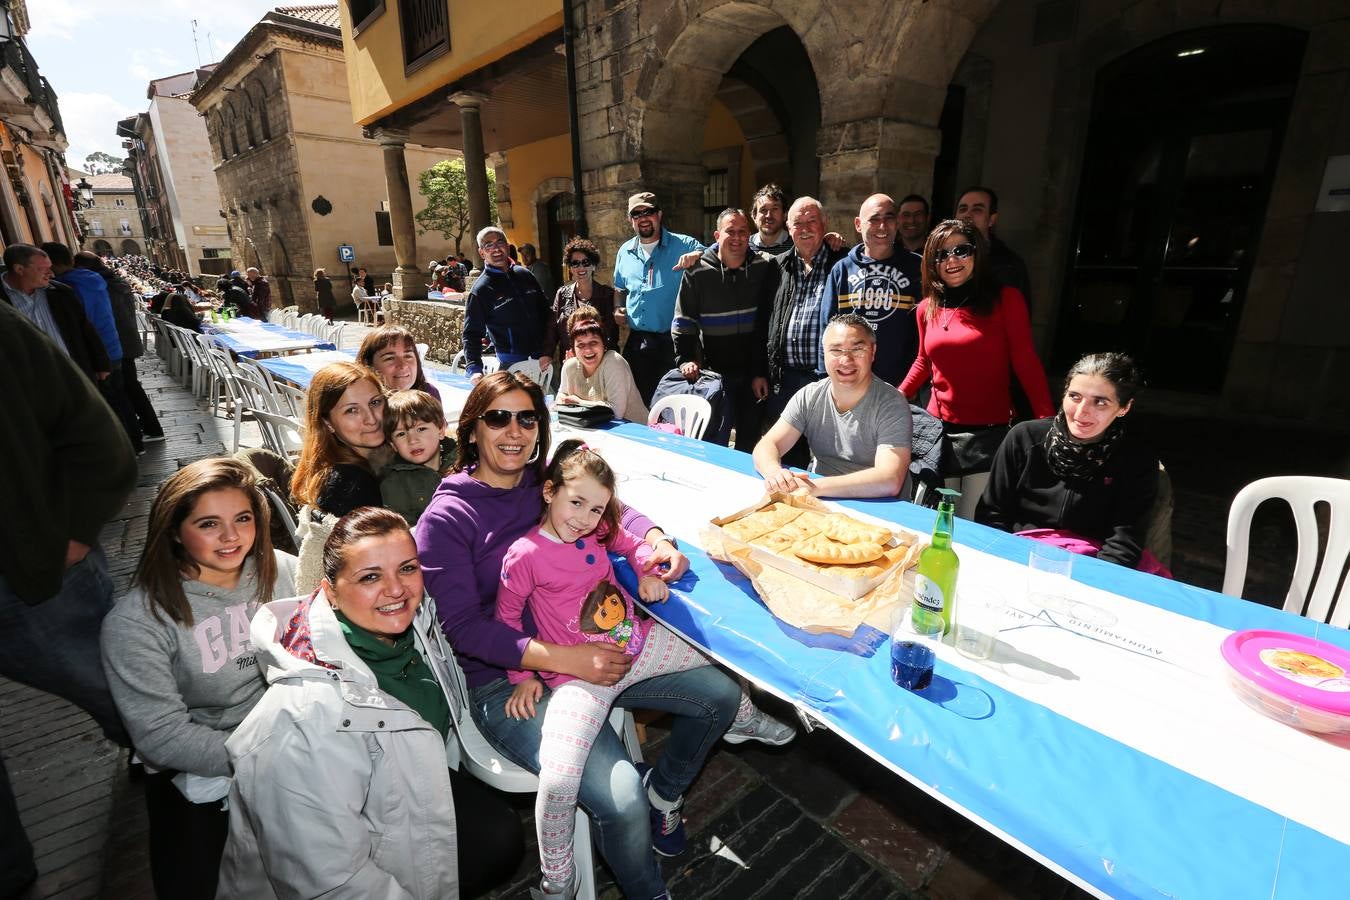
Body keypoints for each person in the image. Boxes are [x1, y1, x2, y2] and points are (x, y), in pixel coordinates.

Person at [413, 372, 794, 900]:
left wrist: (656, 541)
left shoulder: (541, 483)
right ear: (472, 427)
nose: (514, 430)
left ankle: (665, 794)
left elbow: (615, 512)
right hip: (508, 682)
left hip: (601, 649)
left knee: (722, 696)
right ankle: (644, 889)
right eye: (498, 417)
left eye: (527, 417)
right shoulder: (447, 517)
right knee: (620, 802)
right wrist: (565, 659)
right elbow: (464, 629)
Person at [499, 441, 767, 898]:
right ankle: (557, 880)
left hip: (637, 646)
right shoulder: (524, 554)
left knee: (726, 657)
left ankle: (749, 722)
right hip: (578, 679)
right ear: (549, 492)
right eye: (576, 502)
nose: (584, 518)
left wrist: (646, 568)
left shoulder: (596, 530)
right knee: (561, 778)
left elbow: (630, 540)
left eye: (596, 509)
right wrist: (522, 676)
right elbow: (506, 623)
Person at [217, 508, 524, 899]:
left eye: (408, 568)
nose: (396, 589)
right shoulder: (300, 721)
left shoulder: (414, 630)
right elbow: (330, 884)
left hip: (387, 808)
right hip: (338, 872)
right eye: (370, 577)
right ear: (330, 590)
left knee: (499, 834)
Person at [100, 458, 298, 900]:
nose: (232, 537)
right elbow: (161, 736)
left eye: (243, 518)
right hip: (198, 769)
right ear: (173, 530)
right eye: (209, 523)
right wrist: (264, 758)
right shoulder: (137, 622)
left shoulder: (281, 569)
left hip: (292, 741)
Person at [0, 302, 136, 900]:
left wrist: (72, 536)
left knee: (118, 689)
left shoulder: (5, 334)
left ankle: (178, 774)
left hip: (28, 574)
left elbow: (100, 440)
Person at [899, 219, 1054, 519]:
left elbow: (1025, 361)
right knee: (935, 521)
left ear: (977, 253)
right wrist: (894, 396)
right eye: (941, 255)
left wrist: (1046, 422)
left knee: (971, 523)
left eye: (961, 250)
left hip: (988, 435)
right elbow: (923, 362)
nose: (951, 260)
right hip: (938, 432)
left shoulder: (1007, 300)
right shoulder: (925, 308)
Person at [978, 352, 1166, 572]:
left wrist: (1084, 583)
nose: (1081, 411)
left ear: (1124, 407)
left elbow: (1123, 544)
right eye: (1075, 396)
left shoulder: (1137, 461)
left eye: (1100, 402)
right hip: (1016, 558)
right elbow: (991, 513)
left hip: (1091, 568)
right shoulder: (1024, 438)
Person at [754, 314, 913, 499]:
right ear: (824, 353)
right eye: (836, 350)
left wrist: (814, 487)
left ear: (873, 352)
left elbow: (889, 479)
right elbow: (767, 444)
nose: (846, 360)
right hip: (820, 498)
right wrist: (775, 474)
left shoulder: (891, 405)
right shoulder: (810, 395)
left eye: (857, 349)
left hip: (878, 504)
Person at [671, 207, 775, 451]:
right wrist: (685, 357)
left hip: (752, 372)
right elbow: (684, 319)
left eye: (742, 232)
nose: (737, 238)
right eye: (730, 231)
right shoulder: (697, 271)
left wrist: (760, 370)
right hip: (714, 373)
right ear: (717, 235)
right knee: (713, 440)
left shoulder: (765, 266)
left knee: (749, 441)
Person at [764, 197, 849, 466]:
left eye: (811, 220)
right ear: (788, 229)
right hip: (785, 378)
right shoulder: (777, 266)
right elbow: (762, 321)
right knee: (788, 456)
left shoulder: (843, 262)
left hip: (825, 378)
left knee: (829, 454)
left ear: (824, 224)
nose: (805, 228)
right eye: (797, 223)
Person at [43, 241, 143, 453]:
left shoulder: (66, 288)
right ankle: (135, 444)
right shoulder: (95, 279)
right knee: (120, 397)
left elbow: (83, 324)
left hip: (98, 353)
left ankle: (124, 450)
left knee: (109, 403)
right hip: (113, 346)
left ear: (51, 264)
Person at [612, 191, 705, 404]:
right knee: (636, 403)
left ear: (659, 214)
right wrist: (617, 308)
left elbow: (718, 254)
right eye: (637, 214)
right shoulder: (624, 251)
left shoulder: (685, 244)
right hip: (638, 343)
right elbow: (619, 288)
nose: (643, 218)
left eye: (649, 212)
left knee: (671, 405)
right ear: (630, 220)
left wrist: (698, 255)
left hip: (672, 343)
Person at [826, 194, 923, 386]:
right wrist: (828, 378)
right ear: (858, 224)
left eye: (889, 218)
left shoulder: (918, 267)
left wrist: (913, 384)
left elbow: (926, 332)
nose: (882, 226)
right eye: (874, 219)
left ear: (897, 223)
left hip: (902, 385)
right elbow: (827, 329)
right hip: (850, 381)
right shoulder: (841, 270)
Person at [77, 251, 165, 442]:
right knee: (130, 385)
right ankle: (150, 426)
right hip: (125, 340)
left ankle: (149, 428)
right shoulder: (115, 282)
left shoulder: (100, 285)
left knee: (127, 387)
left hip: (117, 342)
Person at [291, 361, 391, 518]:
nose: (371, 419)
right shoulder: (352, 486)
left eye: (375, 402)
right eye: (352, 410)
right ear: (327, 422)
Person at [0, 243, 111, 382]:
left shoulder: (61, 292)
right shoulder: (3, 299)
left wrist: (101, 365)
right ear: (19, 269)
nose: (51, 273)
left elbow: (85, 329)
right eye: (44, 269)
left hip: (72, 375)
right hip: (27, 384)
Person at [462, 225, 553, 382]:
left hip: (544, 360)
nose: (496, 248)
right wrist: (474, 368)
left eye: (500, 242)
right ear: (481, 253)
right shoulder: (481, 289)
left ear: (507, 246)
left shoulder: (525, 275)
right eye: (488, 245)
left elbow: (546, 313)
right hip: (512, 365)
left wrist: (549, 350)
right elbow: (471, 334)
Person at [557, 305, 648, 423]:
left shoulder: (613, 361)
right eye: (581, 343)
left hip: (632, 433)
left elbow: (616, 412)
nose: (588, 349)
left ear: (603, 341)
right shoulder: (570, 366)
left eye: (593, 341)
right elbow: (561, 397)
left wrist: (577, 402)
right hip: (594, 430)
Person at [379, 389, 456, 525]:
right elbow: (401, 530)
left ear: (441, 430)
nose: (412, 440)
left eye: (421, 429)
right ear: (393, 445)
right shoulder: (394, 483)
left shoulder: (464, 461)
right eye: (401, 434)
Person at [955, 186, 1032, 312]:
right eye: (963, 209)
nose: (967, 215)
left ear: (991, 220)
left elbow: (1018, 319)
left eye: (977, 210)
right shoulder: (941, 258)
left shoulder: (1009, 266)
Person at [546, 237, 620, 361]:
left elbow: (611, 335)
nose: (581, 267)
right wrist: (547, 354)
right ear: (570, 268)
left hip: (601, 362)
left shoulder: (607, 295)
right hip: (571, 362)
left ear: (594, 266)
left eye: (586, 262)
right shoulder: (562, 294)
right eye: (575, 263)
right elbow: (552, 329)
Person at [358, 323, 442, 402]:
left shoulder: (429, 395)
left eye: (408, 356)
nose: (403, 365)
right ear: (368, 366)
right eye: (390, 358)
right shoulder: (363, 406)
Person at [748, 183, 792, 257]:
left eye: (775, 209)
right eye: (763, 210)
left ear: (785, 215)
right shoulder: (744, 247)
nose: (769, 215)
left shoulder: (796, 247)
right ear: (754, 217)